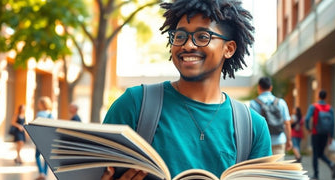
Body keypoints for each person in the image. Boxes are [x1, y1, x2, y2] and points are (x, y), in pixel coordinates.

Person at [101, 0, 272, 179]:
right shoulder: (135, 104)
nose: (188, 45)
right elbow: (95, 170)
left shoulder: (253, 128)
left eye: (202, 36)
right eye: (180, 36)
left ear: (228, 49)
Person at [250, 77, 292, 157]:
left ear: (259, 87)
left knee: (264, 169)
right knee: (277, 168)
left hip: (262, 143)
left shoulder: (253, 104)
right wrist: (289, 140)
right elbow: (287, 123)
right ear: (271, 87)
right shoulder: (281, 102)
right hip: (279, 140)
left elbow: (253, 126)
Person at [305, 90, 335, 180]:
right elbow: (333, 123)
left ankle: (316, 175)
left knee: (315, 154)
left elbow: (307, 119)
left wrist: (308, 129)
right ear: (325, 97)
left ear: (318, 96)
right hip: (325, 134)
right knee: (321, 153)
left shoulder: (313, 107)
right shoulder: (330, 108)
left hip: (315, 133)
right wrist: (331, 136)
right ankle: (331, 164)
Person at [35, 96, 54, 180]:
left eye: (39, 103)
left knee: (37, 155)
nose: (38, 104)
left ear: (42, 104)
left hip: (40, 137)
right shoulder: (51, 114)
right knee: (46, 156)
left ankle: (41, 172)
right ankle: (45, 174)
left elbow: (36, 126)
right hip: (48, 138)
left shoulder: (39, 114)